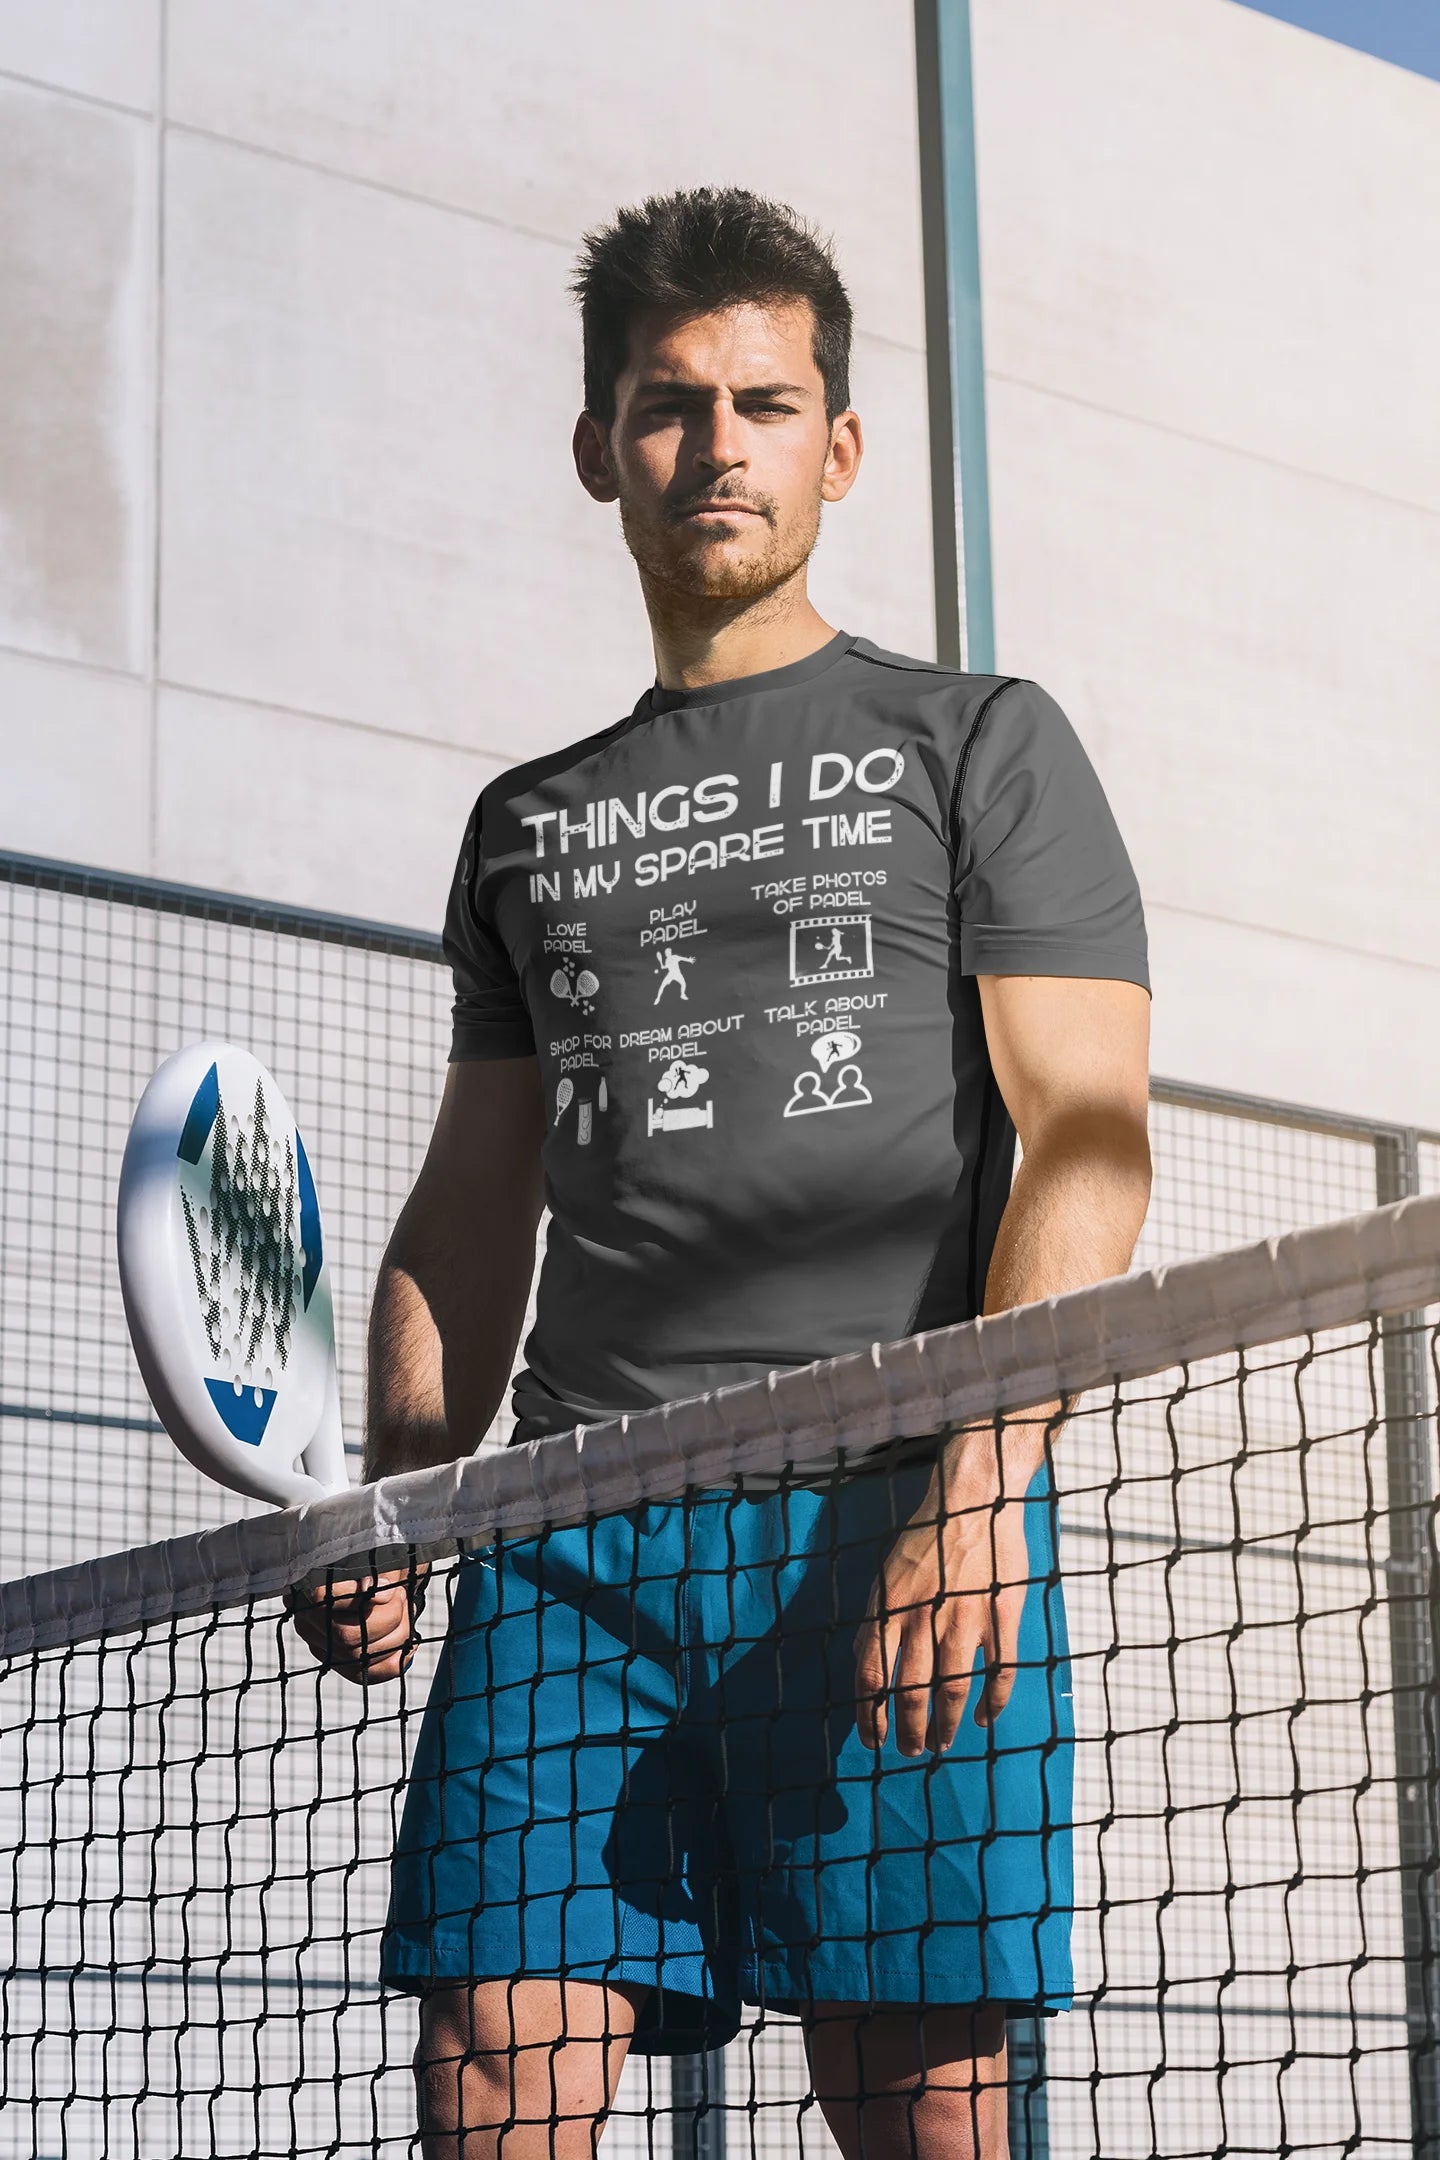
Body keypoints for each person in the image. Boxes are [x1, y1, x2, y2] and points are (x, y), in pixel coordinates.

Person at [289, 186, 1152, 2160]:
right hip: (573, 1530)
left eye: (766, 401)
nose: (717, 444)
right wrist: (401, 1493)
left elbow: (1089, 1148)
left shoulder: (983, 743)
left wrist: (977, 1488)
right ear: (601, 447)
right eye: (671, 405)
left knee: (917, 2100)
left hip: (890, 1503)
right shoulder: (527, 823)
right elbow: (467, 1206)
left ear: (838, 446)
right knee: (491, 2070)